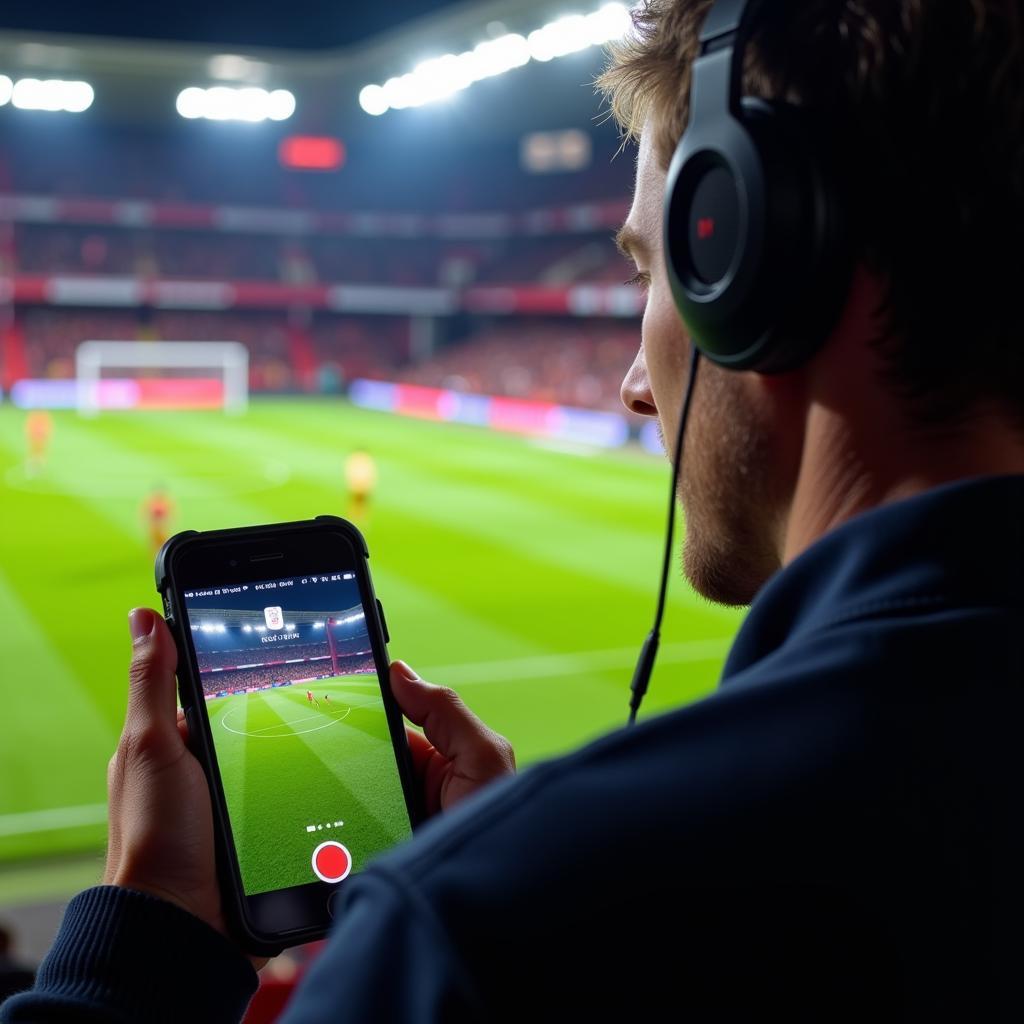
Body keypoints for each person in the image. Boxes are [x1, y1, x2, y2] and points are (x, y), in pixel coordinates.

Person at [4, 1, 1024, 1020]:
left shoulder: (477, 943)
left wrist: (138, 956)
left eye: (646, 268)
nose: (632, 382)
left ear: (747, 266)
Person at [343, 447, 377, 526]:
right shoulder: (366, 459)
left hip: (358, 485)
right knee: (357, 504)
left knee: (359, 504)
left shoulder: (356, 459)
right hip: (361, 485)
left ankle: (356, 520)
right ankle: (355, 520)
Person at [23, 411, 51, 477]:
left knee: (39, 449)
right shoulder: (34, 418)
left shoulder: (43, 418)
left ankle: (38, 463)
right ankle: (33, 463)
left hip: (40, 436)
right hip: (36, 435)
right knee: (34, 449)